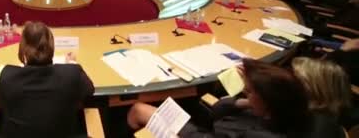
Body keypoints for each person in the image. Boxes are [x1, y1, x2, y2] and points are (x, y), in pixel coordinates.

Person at [128, 59, 310, 137]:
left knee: (138, 110)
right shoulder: (268, 110)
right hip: (206, 132)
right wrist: (247, 101)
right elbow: (217, 110)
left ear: (268, 100)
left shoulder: (262, 135)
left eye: (250, 91)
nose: (246, 92)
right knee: (139, 109)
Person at [0, 21, 94, 138]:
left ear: (23, 47)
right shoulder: (72, 73)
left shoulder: (8, 76)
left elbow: (3, 102)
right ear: (51, 46)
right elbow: (89, 91)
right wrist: (72, 63)